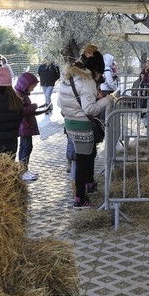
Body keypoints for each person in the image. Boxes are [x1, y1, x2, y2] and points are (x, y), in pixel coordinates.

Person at [58, 52, 114, 208]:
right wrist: (107, 100)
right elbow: (90, 109)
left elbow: (59, 102)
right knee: (83, 161)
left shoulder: (68, 77)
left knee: (87, 156)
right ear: (96, 69)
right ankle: (80, 198)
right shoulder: (87, 81)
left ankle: (89, 184)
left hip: (69, 123)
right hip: (82, 126)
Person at [15, 72, 48, 182]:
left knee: (25, 147)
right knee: (26, 147)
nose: (33, 89)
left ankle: (23, 170)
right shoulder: (19, 95)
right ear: (25, 85)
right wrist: (34, 106)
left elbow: (27, 110)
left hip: (26, 125)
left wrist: (41, 109)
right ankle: (23, 171)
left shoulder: (21, 94)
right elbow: (21, 111)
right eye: (32, 87)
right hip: (25, 126)